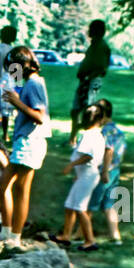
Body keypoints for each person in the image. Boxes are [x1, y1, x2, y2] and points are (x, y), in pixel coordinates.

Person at [0, 46, 50, 246]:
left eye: (13, 69)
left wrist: (17, 102)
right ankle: (8, 233)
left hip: (30, 142)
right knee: (8, 186)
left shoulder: (34, 84)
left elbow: (40, 116)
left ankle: (13, 236)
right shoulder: (33, 83)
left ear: (22, 66)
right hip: (27, 141)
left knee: (12, 187)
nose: (13, 74)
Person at [50, 105, 105, 252]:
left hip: (88, 174)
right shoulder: (95, 134)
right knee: (70, 205)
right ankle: (66, 235)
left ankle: (90, 240)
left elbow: (88, 156)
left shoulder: (90, 135)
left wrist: (71, 165)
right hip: (84, 175)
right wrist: (76, 173)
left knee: (80, 208)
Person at [88, 99, 126, 244]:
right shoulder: (118, 131)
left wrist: (104, 171)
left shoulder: (105, 131)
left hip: (106, 171)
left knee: (90, 204)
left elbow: (109, 151)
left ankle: (81, 235)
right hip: (116, 171)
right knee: (109, 205)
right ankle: (115, 237)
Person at [70, 20, 110, 147]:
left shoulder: (102, 47)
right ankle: (73, 139)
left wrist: (88, 77)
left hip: (92, 82)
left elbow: (102, 68)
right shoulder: (93, 45)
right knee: (75, 110)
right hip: (85, 81)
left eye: (91, 28)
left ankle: (85, 141)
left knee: (88, 112)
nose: (89, 31)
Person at [0, 25, 17, 140]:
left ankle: (4, 133)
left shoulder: (11, 50)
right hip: (3, 81)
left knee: (4, 108)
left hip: (3, 81)